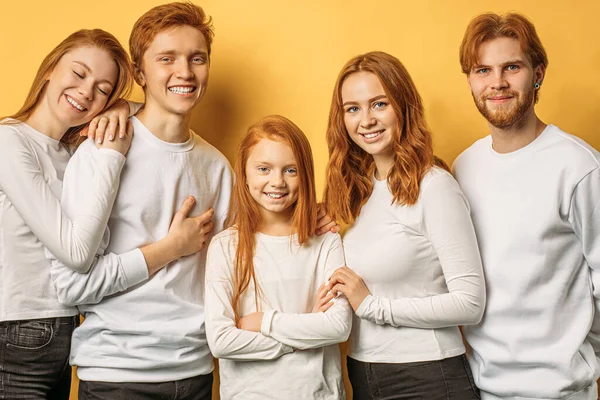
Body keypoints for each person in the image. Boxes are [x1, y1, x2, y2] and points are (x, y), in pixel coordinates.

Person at [48, 3, 232, 399]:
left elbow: (232, 274)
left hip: (197, 371)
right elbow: (70, 287)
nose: (185, 72)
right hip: (118, 373)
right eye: (167, 59)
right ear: (139, 73)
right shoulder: (102, 150)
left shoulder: (218, 167)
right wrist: (166, 250)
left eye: (196, 58)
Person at [453, 12, 600, 399]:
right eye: (483, 70)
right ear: (469, 80)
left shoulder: (579, 167)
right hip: (480, 389)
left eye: (511, 67)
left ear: (538, 73)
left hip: (561, 392)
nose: (497, 82)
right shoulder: (463, 167)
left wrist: (582, 365)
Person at [323, 51, 485, 399]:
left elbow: (470, 303)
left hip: (427, 374)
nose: (366, 120)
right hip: (364, 372)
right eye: (352, 108)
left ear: (404, 106)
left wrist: (372, 306)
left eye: (378, 104)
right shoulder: (356, 193)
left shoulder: (434, 186)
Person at [0, 29, 133, 398]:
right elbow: (76, 254)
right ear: (49, 70)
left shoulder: (74, 153)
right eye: (78, 73)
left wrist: (123, 106)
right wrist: (113, 155)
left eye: (103, 89)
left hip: (65, 329)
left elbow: (155, 113)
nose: (87, 92)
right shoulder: (9, 141)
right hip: (16, 330)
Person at [205, 115, 352, 400]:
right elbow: (221, 341)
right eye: (263, 168)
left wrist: (264, 322)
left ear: (305, 175)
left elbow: (337, 326)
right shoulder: (225, 247)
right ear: (244, 174)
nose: (277, 182)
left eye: (290, 170)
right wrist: (303, 331)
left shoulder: (326, 239)